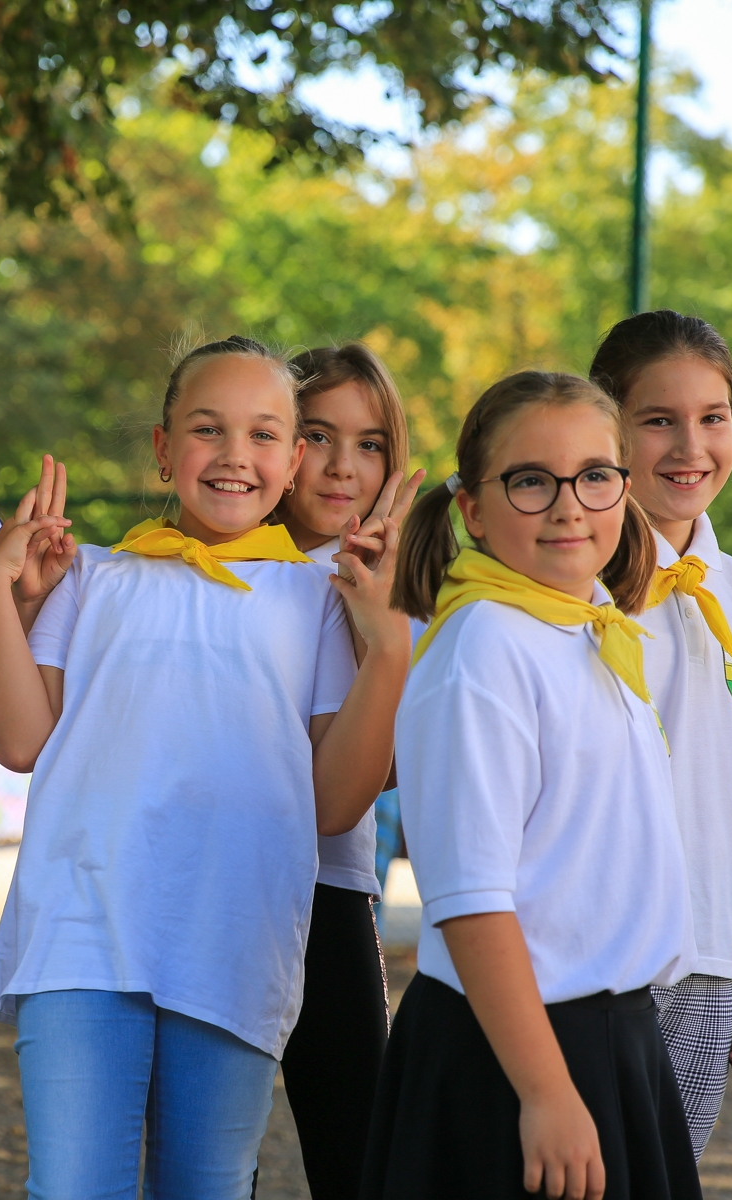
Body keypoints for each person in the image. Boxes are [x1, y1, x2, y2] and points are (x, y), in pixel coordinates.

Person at [0, 335, 409, 1199]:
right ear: (164, 449)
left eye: (263, 435)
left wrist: (388, 644)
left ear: (291, 461)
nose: (235, 455)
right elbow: (19, 741)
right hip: (81, 942)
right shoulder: (90, 578)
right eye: (208, 430)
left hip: (235, 947)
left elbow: (334, 804)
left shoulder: (322, 600)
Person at [363, 371, 700, 1200]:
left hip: (609, 1037)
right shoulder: (485, 648)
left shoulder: (589, 627)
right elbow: (471, 900)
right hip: (514, 1053)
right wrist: (547, 1091)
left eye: (595, 476)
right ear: (472, 509)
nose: (568, 507)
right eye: (529, 481)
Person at [590, 310, 732, 1158]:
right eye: (659, 421)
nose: (690, 447)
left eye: (711, 418)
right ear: (608, 428)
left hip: (704, 963)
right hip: (600, 954)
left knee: (669, 1177)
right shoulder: (576, 583)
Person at [273, 343, 422, 1200]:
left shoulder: (400, 586)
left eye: (370, 444)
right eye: (318, 435)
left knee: (360, 1146)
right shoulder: (216, 566)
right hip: (209, 885)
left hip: (331, 890)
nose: (342, 466)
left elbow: (392, 768)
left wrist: (378, 622)